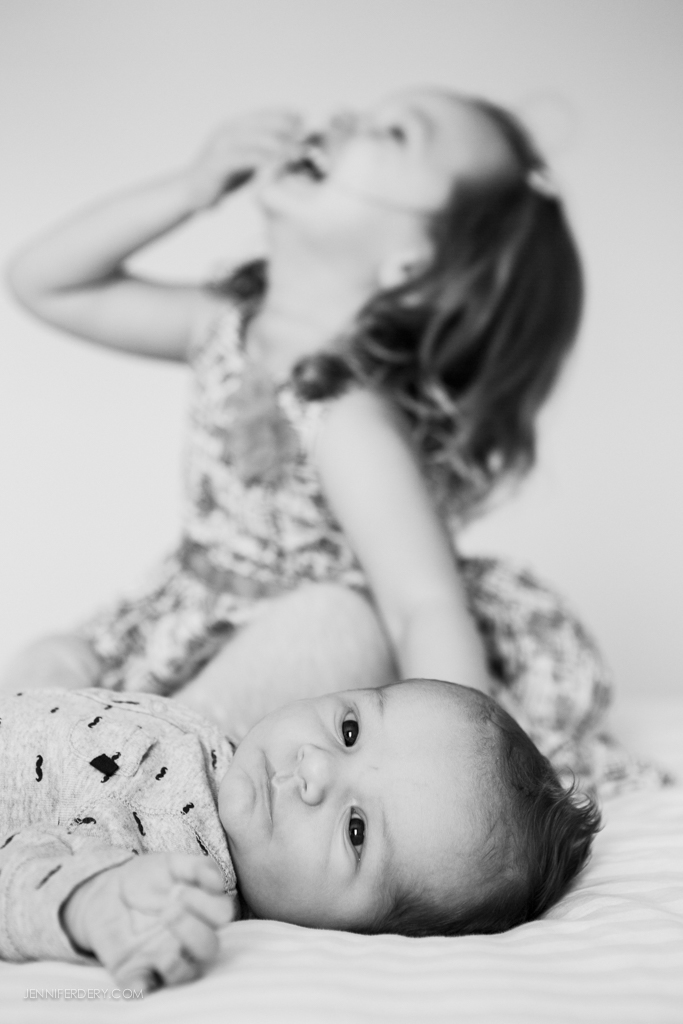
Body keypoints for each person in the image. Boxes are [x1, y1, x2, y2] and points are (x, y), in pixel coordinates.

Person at [3, 86, 605, 770]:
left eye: (396, 133)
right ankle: (78, 778)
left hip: (302, 663)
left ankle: (159, 783)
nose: (346, 116)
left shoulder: (349, 411)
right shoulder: (224, 326)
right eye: (368, 110)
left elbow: (422, 606)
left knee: (331, 623)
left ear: (412, 264)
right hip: (180, 634)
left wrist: (442, 768)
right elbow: (45, 282)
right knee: (49, 661)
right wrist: (191, 188)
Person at [0, 680, 600, 992]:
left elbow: (20, 872)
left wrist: (90, 903)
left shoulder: (176, 852)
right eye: (348, 729)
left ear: (354, 933)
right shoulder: (222, 761)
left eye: (357, 830)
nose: (313, 767)